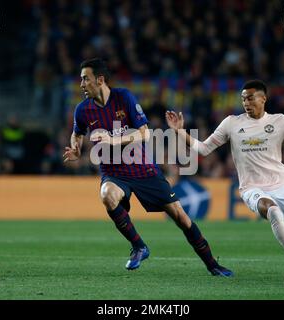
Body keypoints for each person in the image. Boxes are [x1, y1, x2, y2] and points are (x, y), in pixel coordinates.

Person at [63, 58, 233, 276]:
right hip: (114, 173)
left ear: (100, 79)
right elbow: (76, 133)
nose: (81, 84)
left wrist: (113, 140)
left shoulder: (123, 97)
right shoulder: (83, 110)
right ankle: (139, 247)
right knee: (107, 195)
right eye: (81, 79)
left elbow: (144, 132)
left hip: (143, 170)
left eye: (85, 79)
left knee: (181, 217)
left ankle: (212, 265)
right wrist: (76, 148)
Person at [166, 79, 284, 277]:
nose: (246, 103)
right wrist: (179, 131)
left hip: (283, 186)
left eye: (250, 98)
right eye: (243, 99)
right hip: (252, 189)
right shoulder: (232, 123)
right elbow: (204, 148)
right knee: (273, 211)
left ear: (263, 99)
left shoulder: (280, 121)